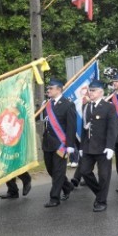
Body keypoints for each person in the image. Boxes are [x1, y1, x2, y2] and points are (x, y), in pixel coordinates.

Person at [80, 79, 118, 212]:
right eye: (90, 90)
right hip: (88, 147)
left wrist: (110, 147)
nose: (90, 93)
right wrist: (81, 147)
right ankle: (100, 193)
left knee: (104, 175)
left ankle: (101, 201)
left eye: (93, 90)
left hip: (103, 147)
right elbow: (84, 128)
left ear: (101, 92)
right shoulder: (86, 107)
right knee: (84, 171)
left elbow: (112, 128)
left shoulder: (109, 107)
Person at [40, 79, 77, 207]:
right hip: (47, 143)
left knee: (58, 171)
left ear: (59, 89)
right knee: (51, 170)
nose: (48, 90)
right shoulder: (46, 104)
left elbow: (71, 126)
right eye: (48, 88)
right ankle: (67, 186)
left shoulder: (68, 104)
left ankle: (54, 198)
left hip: (61, 144)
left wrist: (70, 145)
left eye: (51, 88)